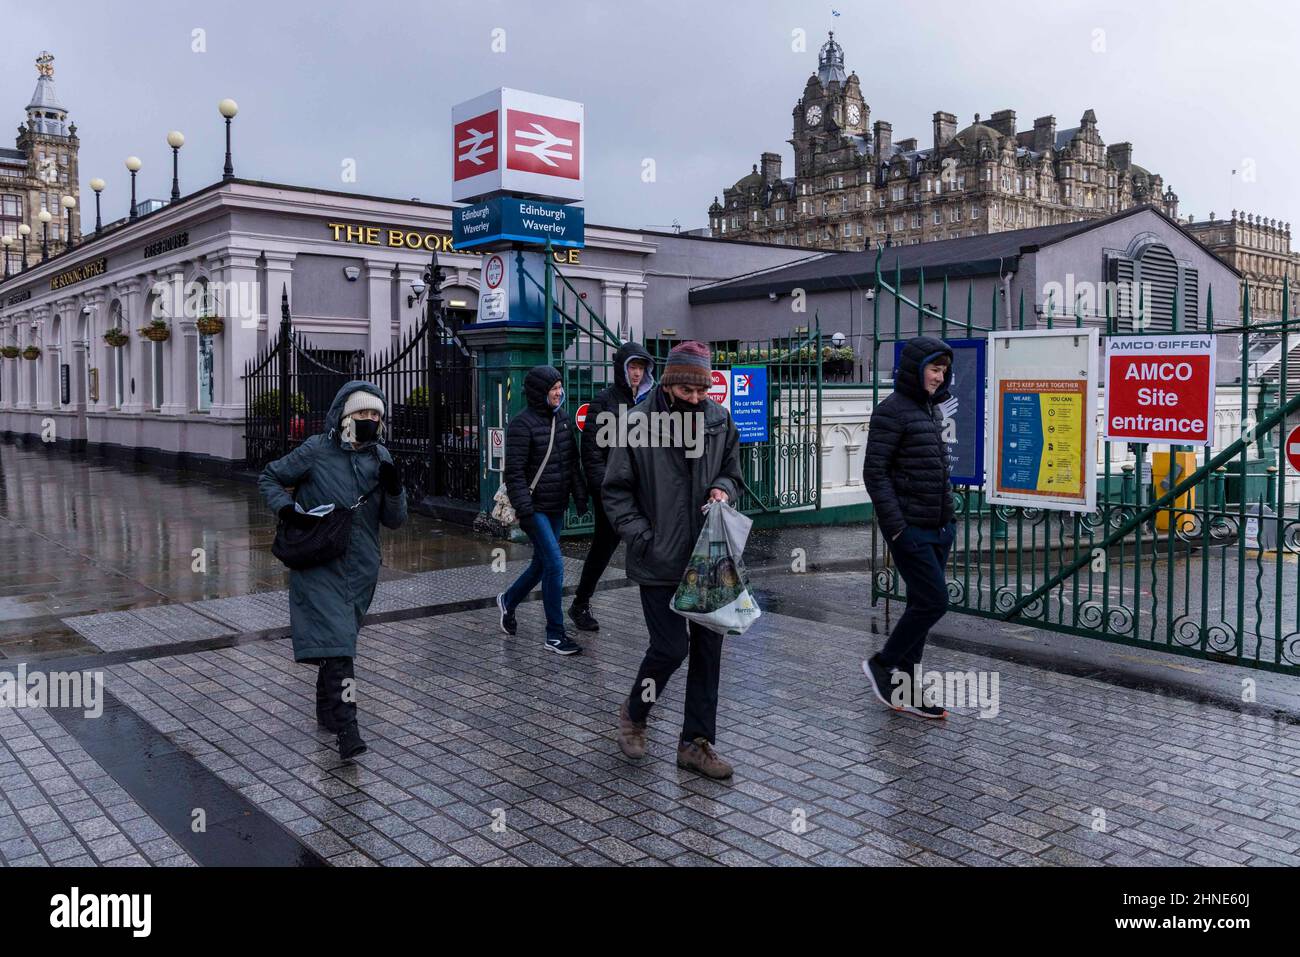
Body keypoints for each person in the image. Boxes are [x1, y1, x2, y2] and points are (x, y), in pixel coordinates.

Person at [602, 340, 743, 779]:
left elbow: (734, 472)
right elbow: (615, 490)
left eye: (702, 392)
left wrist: (723, 488)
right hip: (658, 554)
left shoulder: (720, 421)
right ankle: (635, 713)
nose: (697, 400)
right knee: (670, 647)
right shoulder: (636, 424)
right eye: (688, 392)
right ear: (670, 384)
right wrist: (643, 536)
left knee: (708, 648)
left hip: (706, 555)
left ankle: (695, 743)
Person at [258, 381, 408, 760]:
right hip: (319, 561)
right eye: (362, 414)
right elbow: (270, 476)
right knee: (341, 647)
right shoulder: (317, 450)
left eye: (375, 415)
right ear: (345, 417)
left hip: (360, 571)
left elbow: (395, 521)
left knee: (338, 642)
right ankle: (348, 728)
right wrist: (287, 509)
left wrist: (395, 489)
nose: (370, 420)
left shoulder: (381, 457)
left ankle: (327, 711)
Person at [861, 336, 956, 719]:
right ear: (916, 369)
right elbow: (875, 473)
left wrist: (949, 522)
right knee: (935, 601)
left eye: (944, 371)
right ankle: (884, 663)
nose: (939, 377)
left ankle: (907, 686)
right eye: (935, 369)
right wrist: (897, 528)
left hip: (939, 527)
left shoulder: (931, 410)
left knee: (921, 604)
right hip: (910, 530)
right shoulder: (892, 411)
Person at [497, 365, 589, 655]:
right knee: (555, 564)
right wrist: (524, 510)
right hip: (534, 508)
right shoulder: (521, 425)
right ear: (540, 392)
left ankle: (508, 601)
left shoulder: (561, 418)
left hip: (556, 505)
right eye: (553, 388)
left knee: (541, 565)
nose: (559, 393)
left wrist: (581, 495)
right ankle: (554, 634)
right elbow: (514, 474)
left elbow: (571, 461)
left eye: (560, 387)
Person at [570, 341, 656, 631]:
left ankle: (661, 600)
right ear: (622, 368)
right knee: (604, 547)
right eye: (632, 367)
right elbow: (591, 452)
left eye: (641, 367)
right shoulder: (604, 401)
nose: (636, 373)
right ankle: (580, 603)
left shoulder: (649, 401)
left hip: (640, 488)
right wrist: (603, 489)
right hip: (611, 489)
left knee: (655, 539)